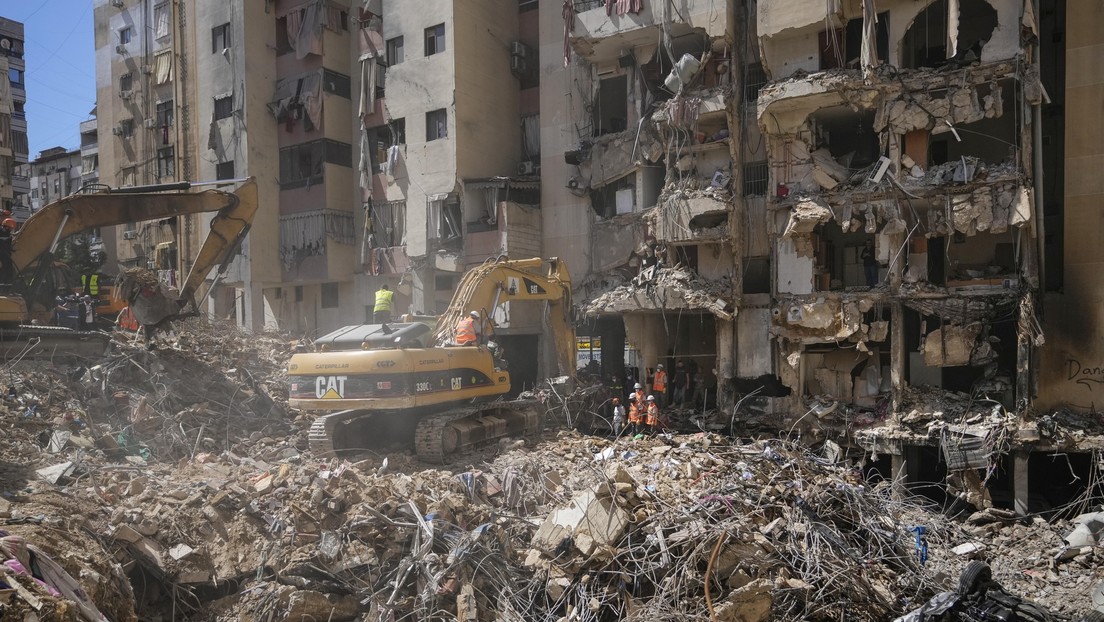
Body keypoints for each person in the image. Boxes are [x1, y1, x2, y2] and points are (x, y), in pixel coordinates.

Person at [0, 216, 14, 292]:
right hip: (3, 257)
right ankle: (3, 290)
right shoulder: (4, 233)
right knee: (4, 272)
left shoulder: (5, 233)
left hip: (5, 257)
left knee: (6, 271)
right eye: (11, 228)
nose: (11, 230)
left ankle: (5, 289)